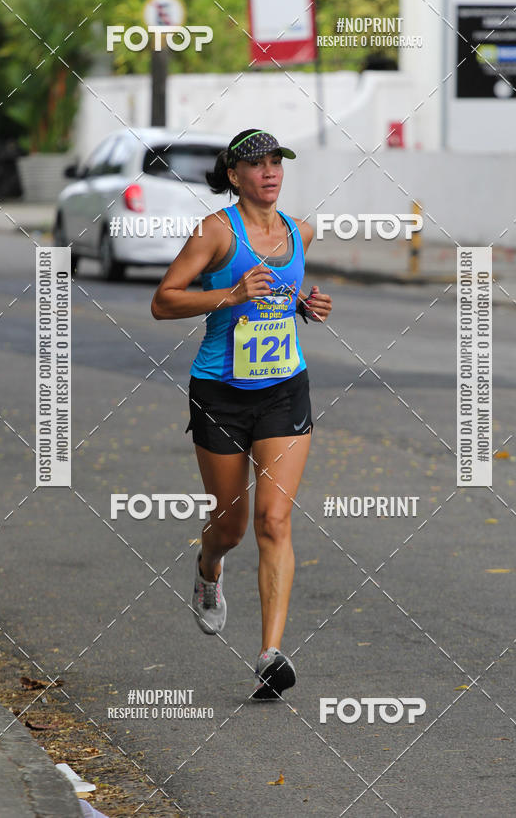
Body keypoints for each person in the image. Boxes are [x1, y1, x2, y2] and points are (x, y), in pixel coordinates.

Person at [151, 129, 332, 699]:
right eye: (257, 164)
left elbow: (279, 293)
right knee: (229, 527)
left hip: (284, 389)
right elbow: (163, 301)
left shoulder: (301, 232)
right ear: (235, 176)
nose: (270, 171)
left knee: (274, 521)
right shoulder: (215, 232)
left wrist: (304, 305)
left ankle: (270, 655)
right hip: (221, 394)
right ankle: (209, 568)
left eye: (276, 162)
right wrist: (230, 295)